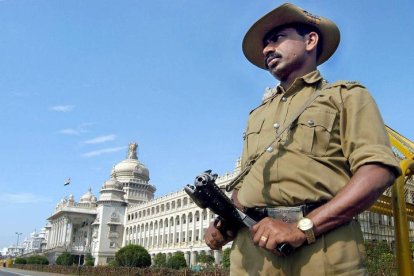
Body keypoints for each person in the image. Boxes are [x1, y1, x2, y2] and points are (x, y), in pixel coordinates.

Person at [204, 3, 401, 275]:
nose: (267, 49)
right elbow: (244, 185)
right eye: (265, 44)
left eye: (277, 38)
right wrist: (226, 222)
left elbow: (378, 170)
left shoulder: (346, 96)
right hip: (252, 258)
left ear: (310, 40)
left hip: (322, 254)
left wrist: (301, 228)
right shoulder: (256, 115)